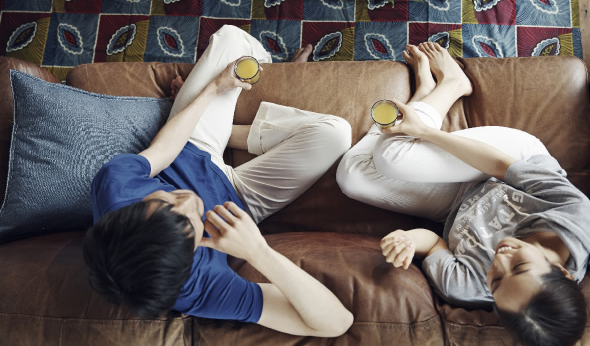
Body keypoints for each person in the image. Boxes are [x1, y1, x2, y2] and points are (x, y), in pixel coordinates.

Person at [83, 25, 354, 337]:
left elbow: (164, 150)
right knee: (336, 134)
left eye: (166, 199)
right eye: (191, 221)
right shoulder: (196, 287)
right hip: (243, 202)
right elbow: (337, 323)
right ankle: (230, 126)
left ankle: (230, 121)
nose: (189, 198)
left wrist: (213, 89)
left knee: (232, 40)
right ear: (190, 259)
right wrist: (258, 251)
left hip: (192, 149)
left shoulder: (113, 186)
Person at [336, 42, 589, 346]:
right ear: (562, 272)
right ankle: (453, 85)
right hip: (506, 164)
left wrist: (408, 240)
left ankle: (424, 93)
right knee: (393, 158)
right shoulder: (574, 216)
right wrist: (426, 132)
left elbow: (434, 244)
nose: (501, 259)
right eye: (520, 267)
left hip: (456, 204)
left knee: (351, 178)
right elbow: (502, 164)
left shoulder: (466, 288)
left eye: (496, 281)